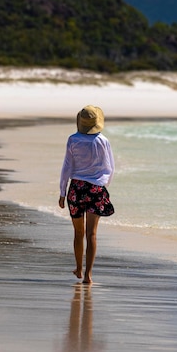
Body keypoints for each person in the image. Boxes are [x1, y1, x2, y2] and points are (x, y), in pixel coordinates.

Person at [58, 105, 115, 284]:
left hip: (76, 189)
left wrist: (62, 191)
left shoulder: (73, 139)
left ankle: (78, 269)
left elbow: (67, 166)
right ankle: (89, 275)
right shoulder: (103, 141)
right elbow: (110, 168)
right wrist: (103, 187)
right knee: (92, 234)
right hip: (96, 189)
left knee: (78, 232)